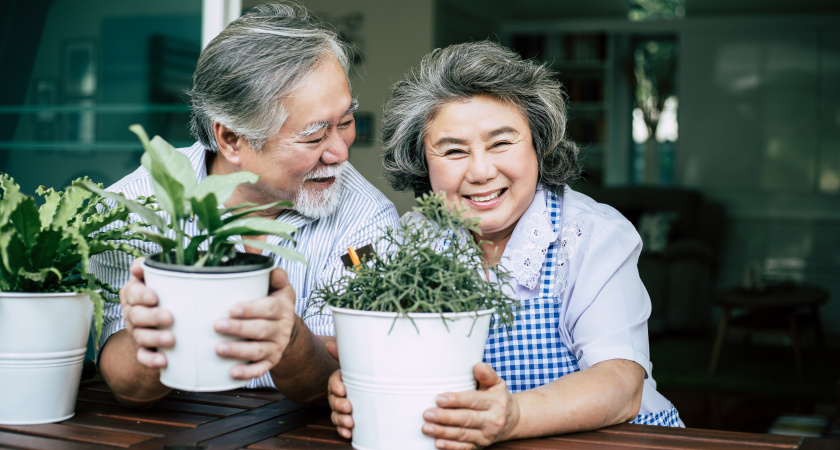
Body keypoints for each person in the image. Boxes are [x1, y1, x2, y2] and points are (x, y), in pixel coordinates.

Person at [326, 40, 684, 449]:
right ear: (423, 162)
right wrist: (361, 385)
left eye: (501, 143)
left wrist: (512, 415)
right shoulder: (413, 238)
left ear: (538, 143)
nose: (480, 171)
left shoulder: (591, 236)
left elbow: (621, 386)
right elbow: (394, 356)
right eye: (454, 150)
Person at [90, 2, 399, 408]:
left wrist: (289, 337)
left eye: (345, 122)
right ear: (232, 140)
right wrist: (154, 337)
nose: (340, 152)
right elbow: (128, 387)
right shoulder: (134, 207)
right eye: (313, 136)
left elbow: (342, 383)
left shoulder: (366, 222)